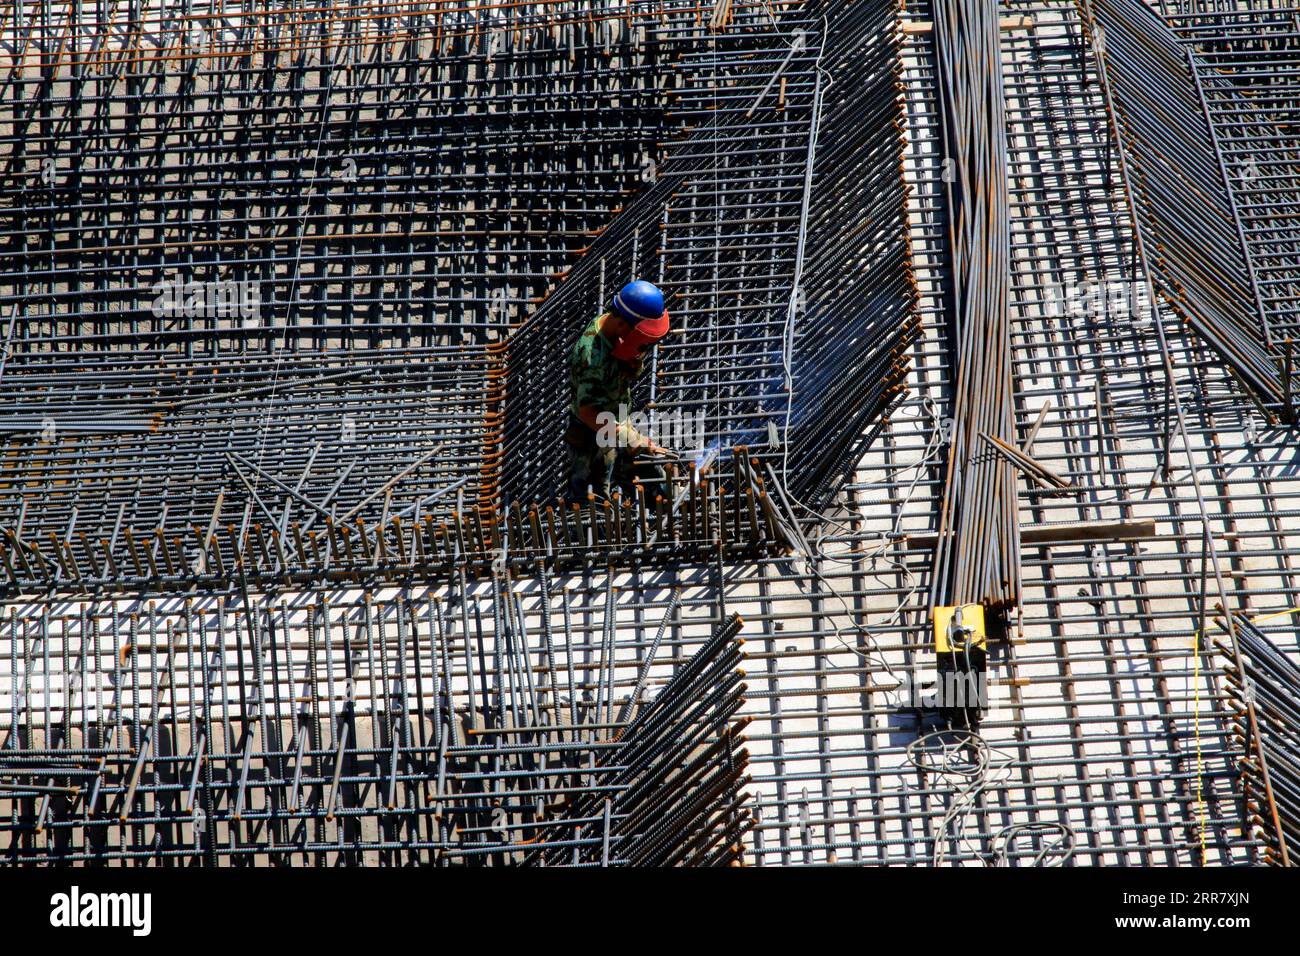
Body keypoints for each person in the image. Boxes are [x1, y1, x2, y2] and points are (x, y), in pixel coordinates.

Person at [566, 279, 672, 503]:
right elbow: (587, 413)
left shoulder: (614, 328)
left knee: (648, 467)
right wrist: (629, 438)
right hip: (591, 431)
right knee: (595, 493)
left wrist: (632, 361)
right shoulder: (591, 358)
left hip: (616, 416)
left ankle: (656, 495)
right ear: (624, 325)